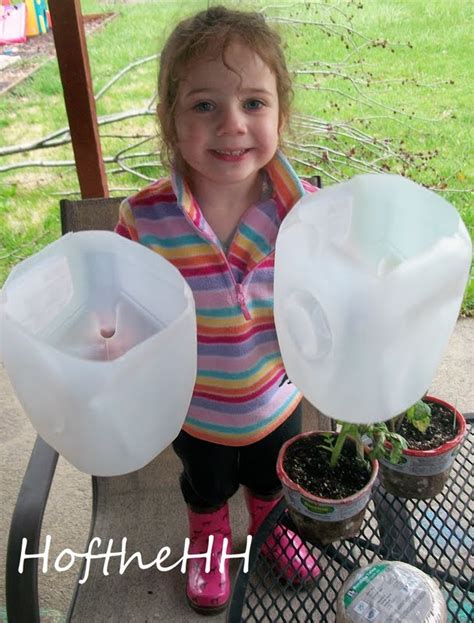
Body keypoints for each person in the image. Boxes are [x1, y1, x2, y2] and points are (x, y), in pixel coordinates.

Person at [116, 5, 319, 615]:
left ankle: (271, 525)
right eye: (204, 105)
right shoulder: (145, 219)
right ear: (170, 121)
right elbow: (123, 305)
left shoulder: (306, 212)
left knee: (269, 478)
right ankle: (207, 540)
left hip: (277, 398)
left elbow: (332, 298)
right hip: (193, 407)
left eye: (254, 103)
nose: (232, 124)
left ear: (282, 114)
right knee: (204, 486)